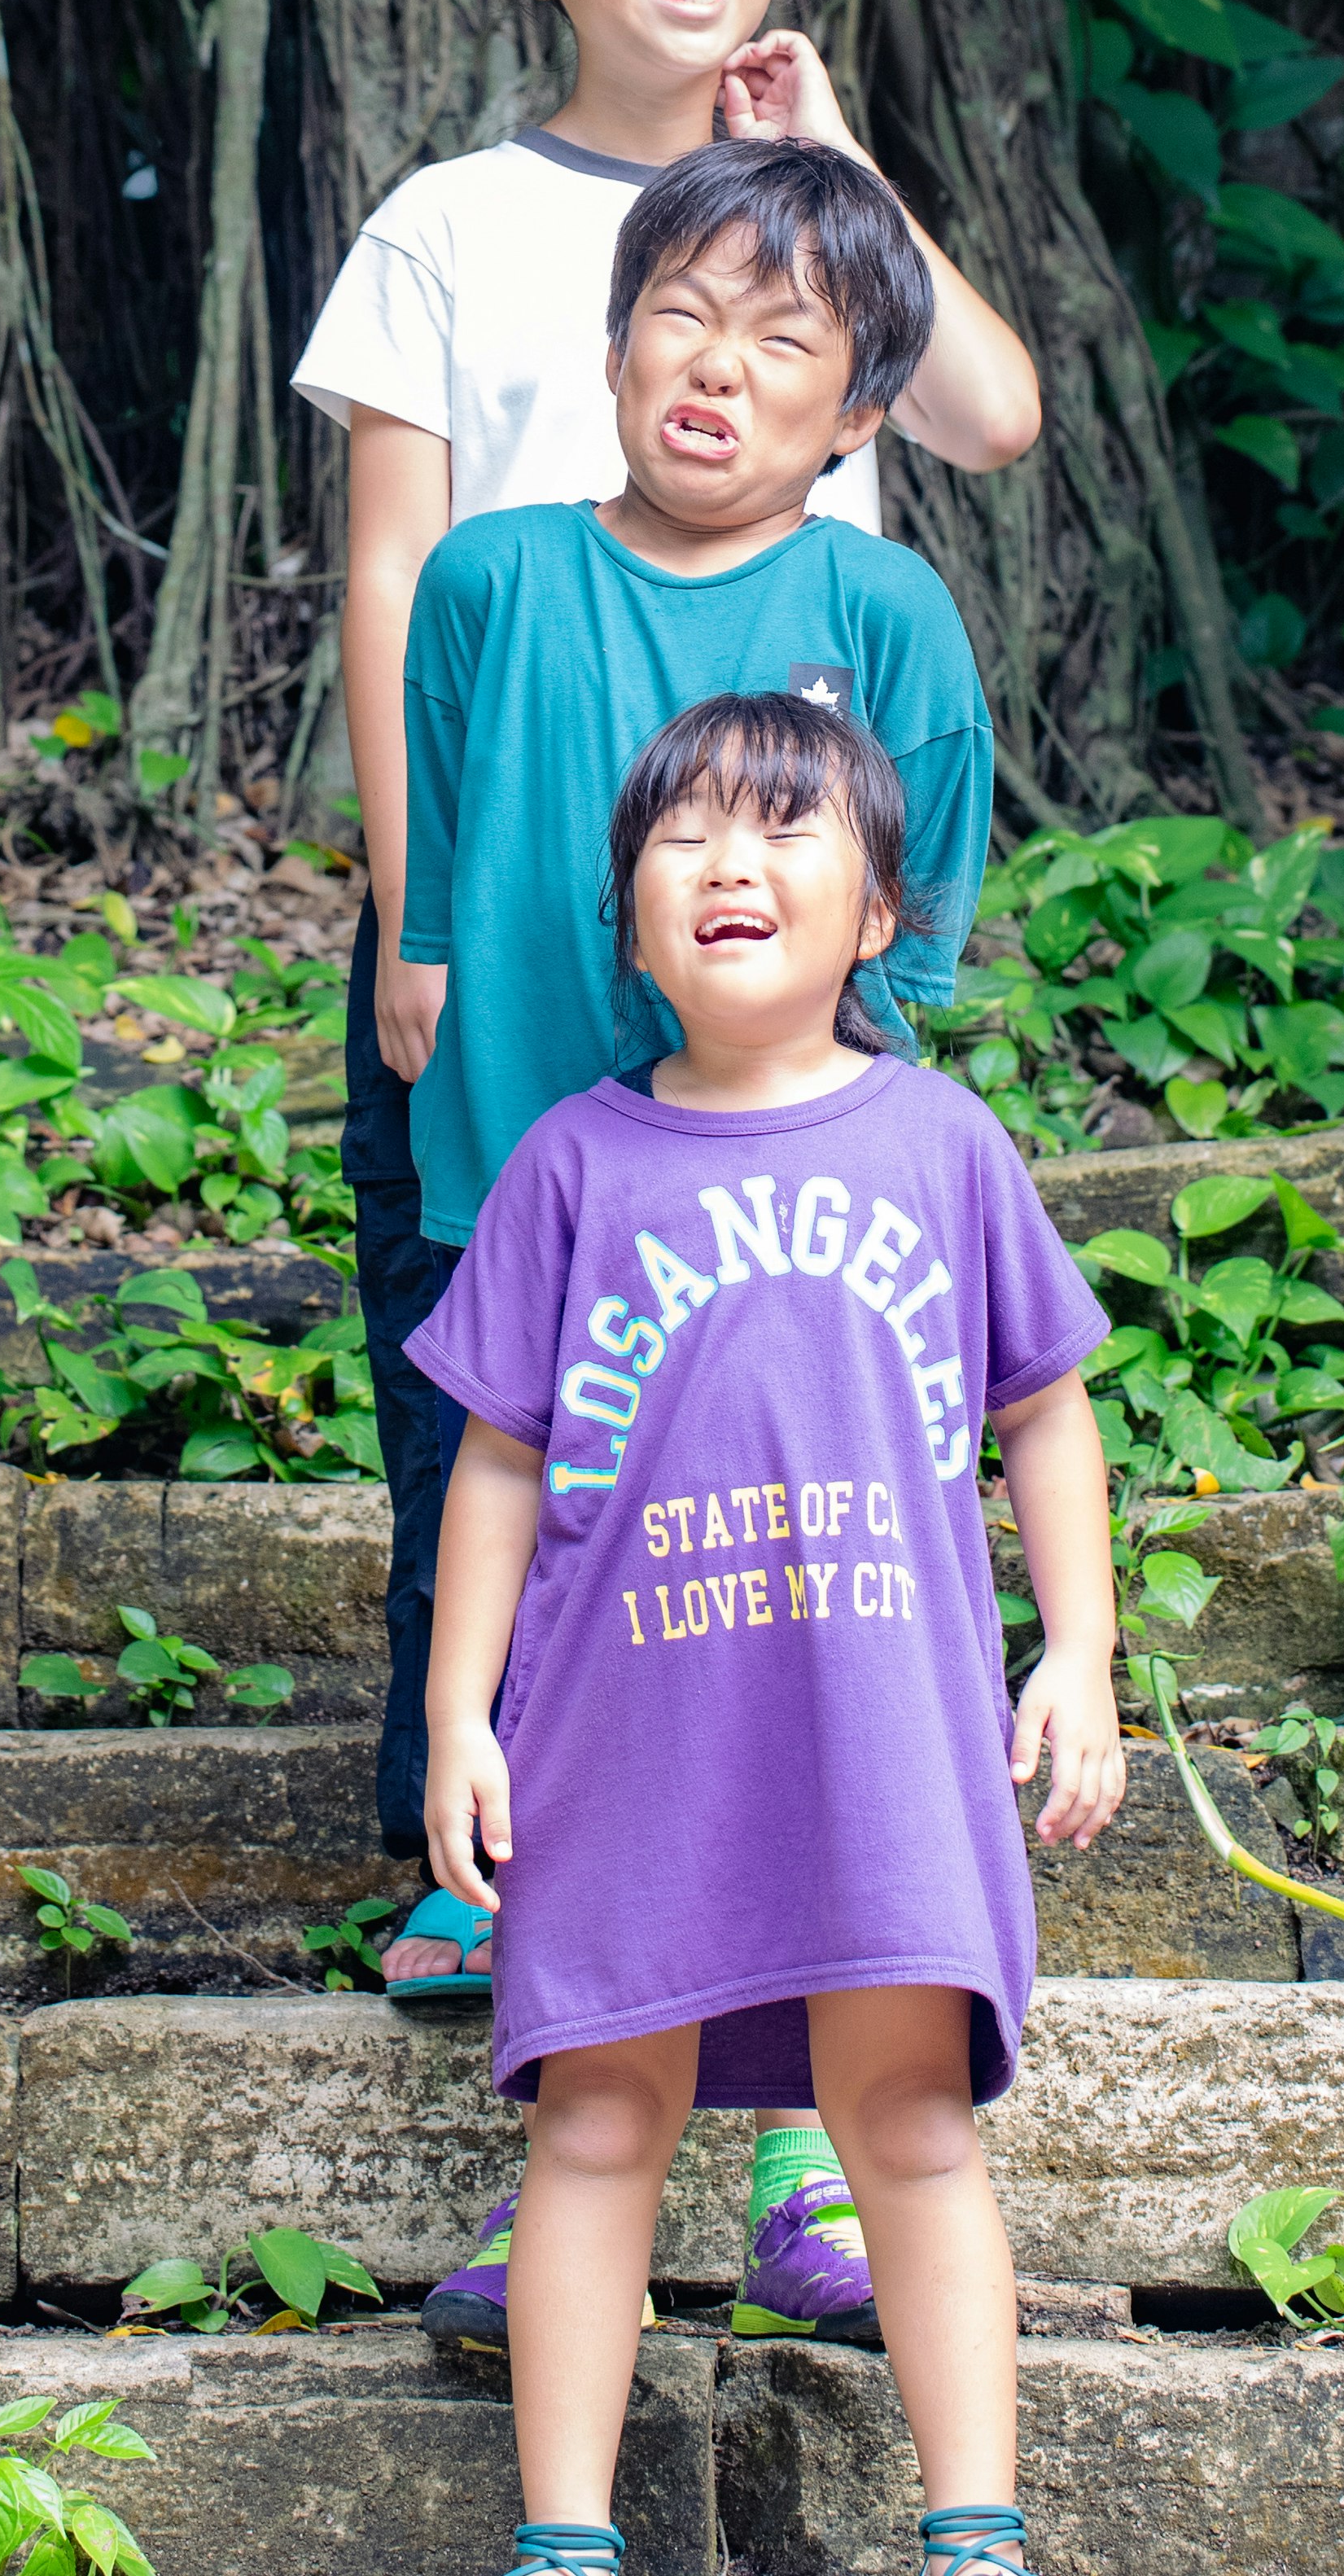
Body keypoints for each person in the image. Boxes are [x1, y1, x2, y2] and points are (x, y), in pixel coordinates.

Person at [289, 0, 1038, 1860]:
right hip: (513, 889)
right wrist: (412, 905)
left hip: (774, 914)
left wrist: (839, 152)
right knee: (490, 1361)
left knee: (761, 1357)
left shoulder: (824, 222)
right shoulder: (451, 223)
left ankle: (765, 1814)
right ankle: (465, 1835)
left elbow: (990, 416)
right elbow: (394, 567)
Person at [386, 132, 1001, 2355]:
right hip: (548, 1189)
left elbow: (922, 913)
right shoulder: (492, 575)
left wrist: (856, 1099)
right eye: (683, 315)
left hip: (799, 1252)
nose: (718, 372)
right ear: (613, 330)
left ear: (854, 414)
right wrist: (428, 962)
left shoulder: (880, 616)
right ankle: (579, 2177)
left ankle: (809, 2166)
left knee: (800, 1678)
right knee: (575, 1678)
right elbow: (446, 834)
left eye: (784, 343)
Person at [406, 694, 1123, 2576]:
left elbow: (1046, 1405)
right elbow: (496, 1459)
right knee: (592, 2122)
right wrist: (457, 1720)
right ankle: (565, 2539)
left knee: (910, 2115)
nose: (735, 861)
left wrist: (1080, 1658)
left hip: (879, 1731)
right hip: (625, 1743)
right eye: (688, 835)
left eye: (788, 827)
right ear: (630, 919)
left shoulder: (944, 1143)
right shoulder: (574, 1162)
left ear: (878, 915)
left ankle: (976, 2531)